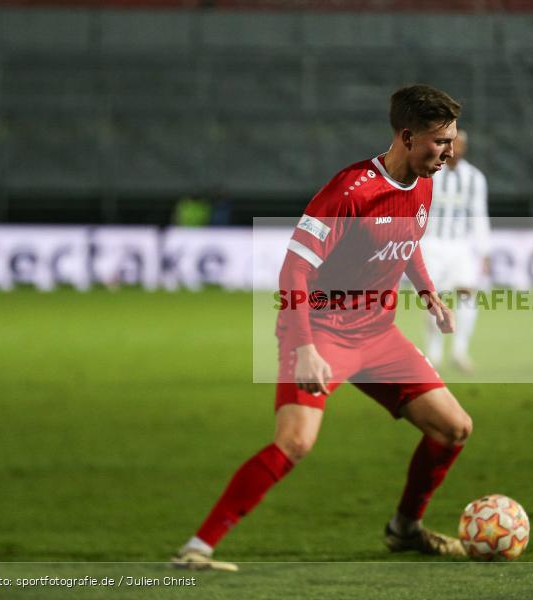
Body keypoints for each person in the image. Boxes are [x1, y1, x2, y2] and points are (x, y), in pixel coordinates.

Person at [172, 85, 472, 571]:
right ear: (406, 135)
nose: (449, 152)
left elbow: (406, 237)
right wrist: (307, 348)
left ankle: (404, 529)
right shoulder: (348, 191)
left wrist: (428, 291)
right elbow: (293, 270)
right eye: (440, 142)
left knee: (454, 428)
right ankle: (197, 549)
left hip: (377, 334)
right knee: (295, 442)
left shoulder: (424, 179)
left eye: (452, 140)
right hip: (320, 331)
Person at [423, 129, 491, 373]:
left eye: (459, 145)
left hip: (461, 246)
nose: (455, 150)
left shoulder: (475, 178)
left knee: (467, 294)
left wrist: (484, 252)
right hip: (432, 244)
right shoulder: (428, 173)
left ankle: (460, 351)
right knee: (434, 300)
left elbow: (479, 216)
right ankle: (434, 353)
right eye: (451, 144)